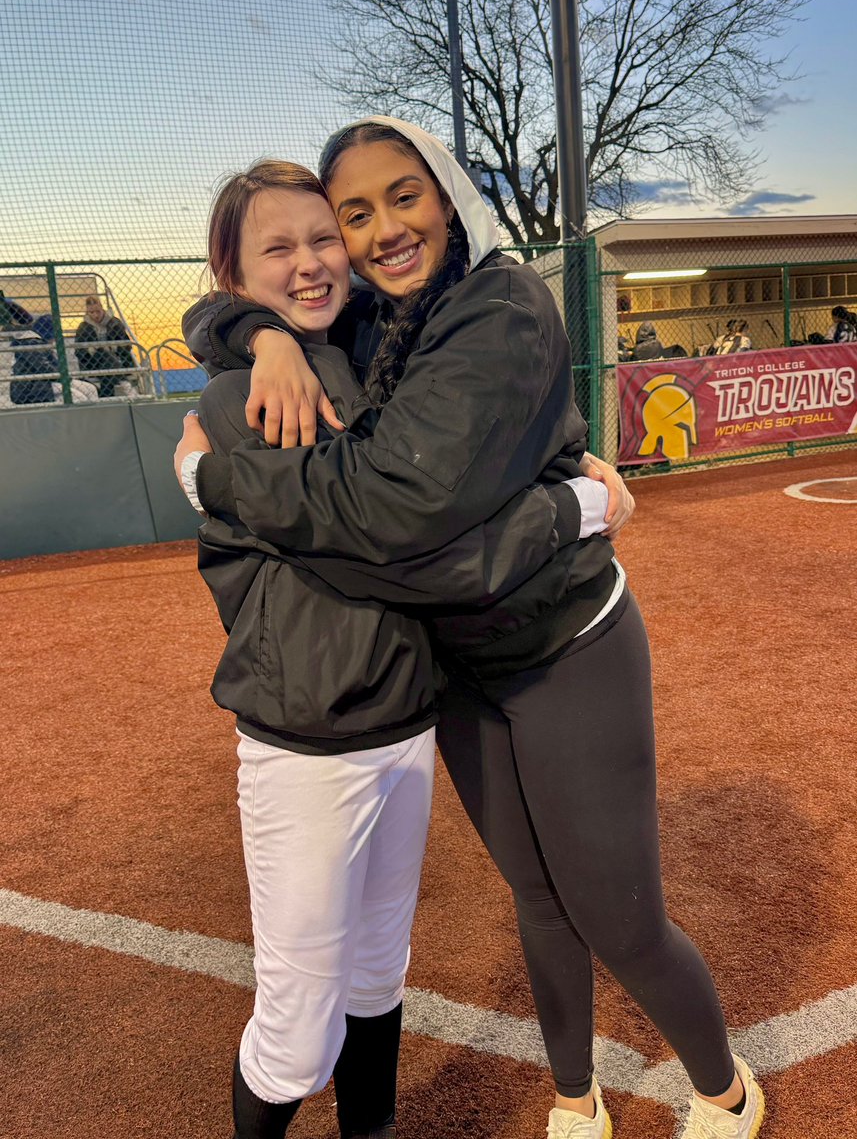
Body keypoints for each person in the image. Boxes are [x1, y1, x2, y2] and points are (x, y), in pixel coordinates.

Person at [176, 118, 762, 1139]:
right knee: (537, 900)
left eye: (401, 196)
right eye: (351, 214)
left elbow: (402, 529)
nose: (376, 232)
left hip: (561, 646)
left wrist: (209, 478)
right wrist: (256, 332)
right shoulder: (363, 322)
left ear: (446, 195)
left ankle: (722, 1091)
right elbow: (238, 304)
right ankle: (576, 1096)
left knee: (615, 915)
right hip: (456, 666)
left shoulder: (500, 307)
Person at [1, 298, 98, 405]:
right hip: (29, 389)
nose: (54, 339)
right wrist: (65, 377)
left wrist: (67, 377)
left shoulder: (41, 343)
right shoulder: (30, 343)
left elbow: (54, 367)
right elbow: (44, 369)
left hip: (45, 384)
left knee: (90, 389)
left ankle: (93, 419)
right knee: (77, 396)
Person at [74, 294, 138, 396]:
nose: (95, 315)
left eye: (98, 311)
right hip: (94, 362)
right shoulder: (83, 327)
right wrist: (91, 350)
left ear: (102, 309)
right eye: (91, 312)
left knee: (108, 358)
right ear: (87, 312)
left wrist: (113, 347)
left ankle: (105, 395)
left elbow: (127, 346)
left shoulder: (115, 323)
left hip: (117, 358)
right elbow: (79, 352)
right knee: (103, 354)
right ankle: (115, 385)